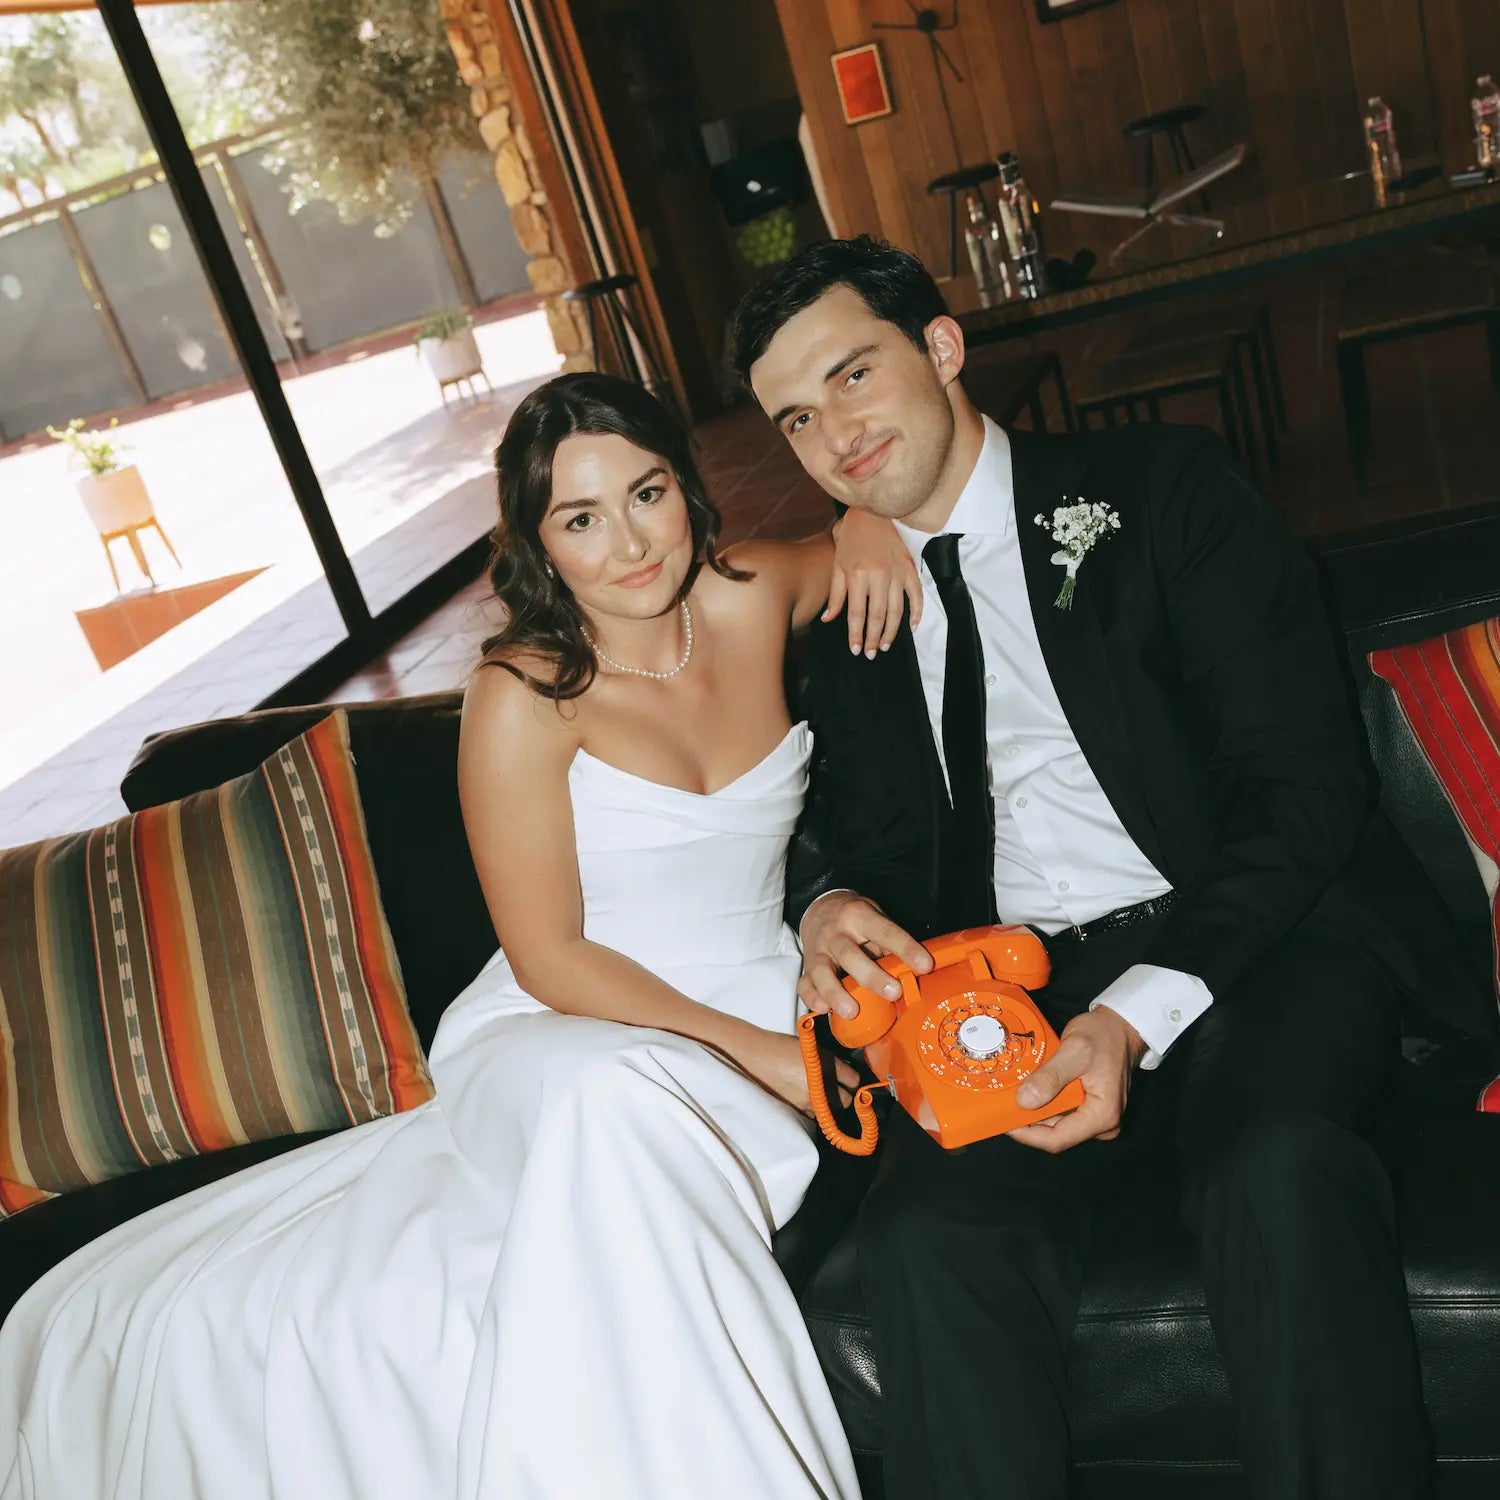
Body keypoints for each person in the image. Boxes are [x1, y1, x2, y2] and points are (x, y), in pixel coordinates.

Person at [0, 370, 921, 1500]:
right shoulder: (521, 693)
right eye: (581, 519)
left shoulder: (758, 592)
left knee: (618, 1149)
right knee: (615, 1094)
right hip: (564, 1022)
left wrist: (868, 517)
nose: (630, 543)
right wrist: (763, 1052)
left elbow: (896, 515)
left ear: (687, 486)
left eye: (647, 494)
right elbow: (552, 957)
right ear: (541, 545)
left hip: (754, 985)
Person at [732, 235, 1486, 1500]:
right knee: (923, 1237)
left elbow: (1305, 790)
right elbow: (843, 828)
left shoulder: (1162, 489)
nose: (837, 433)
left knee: (1274, 1170)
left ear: (944, 346)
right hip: (1010, 989)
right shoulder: (851, 615)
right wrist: (828, 903)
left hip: (1259, 938)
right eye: (799, 419)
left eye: (854, 376)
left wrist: (1132, 1018)